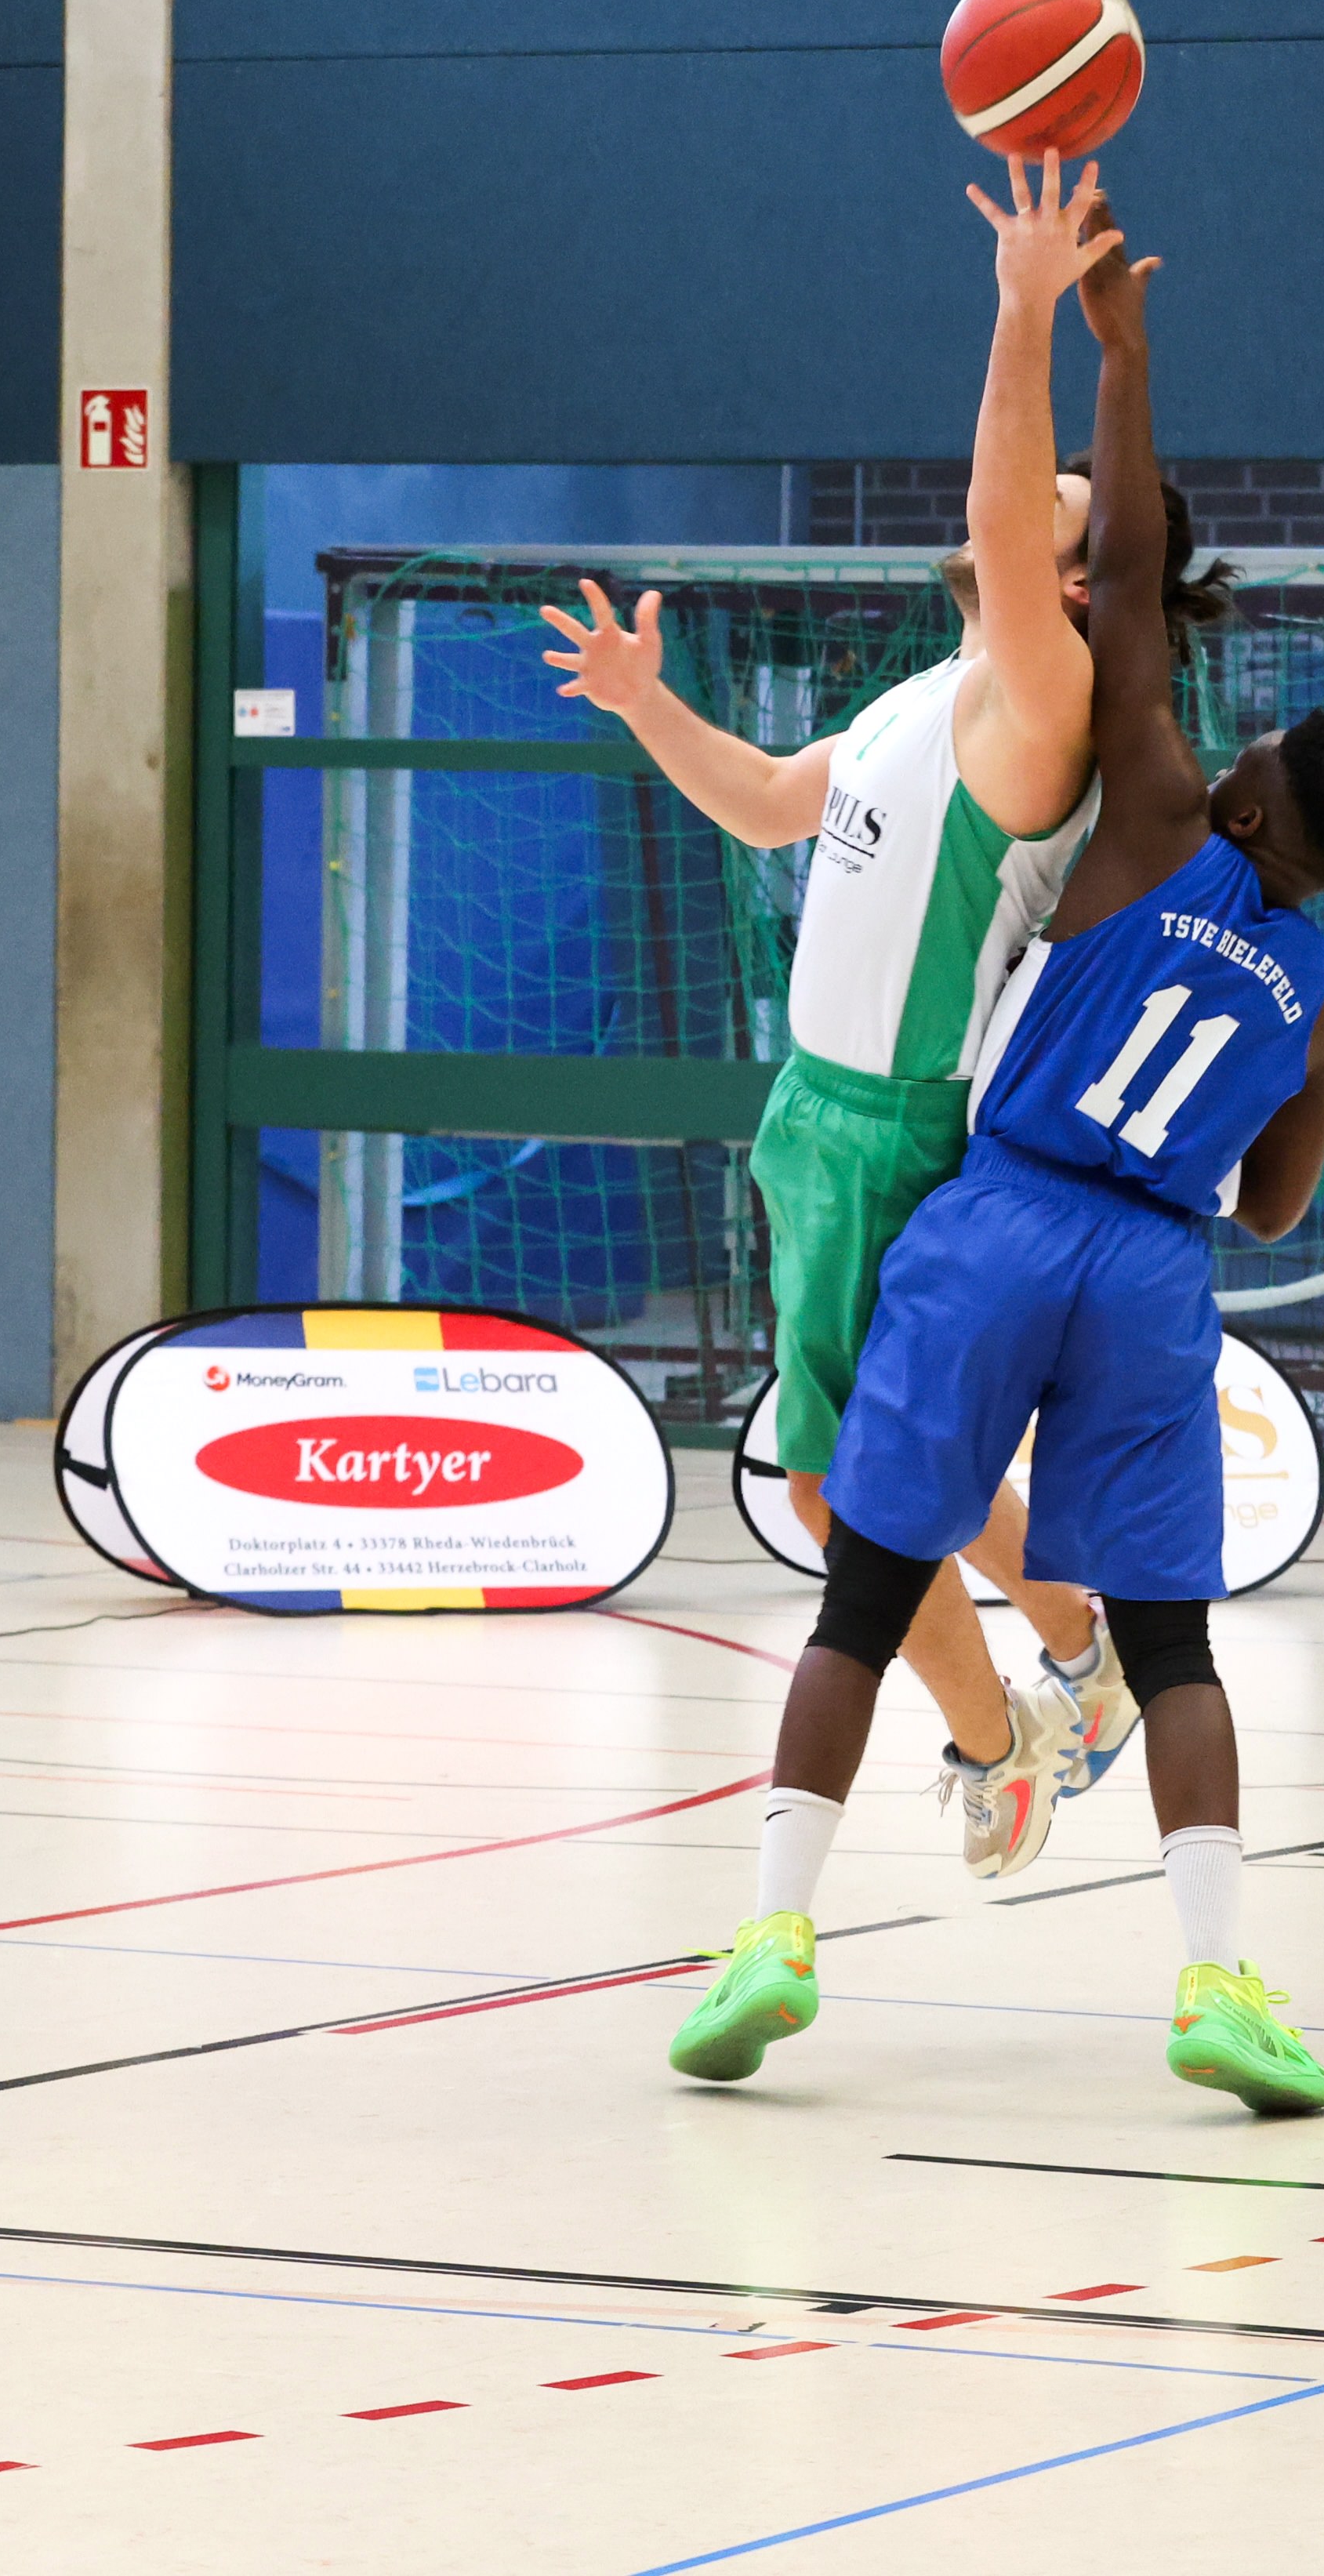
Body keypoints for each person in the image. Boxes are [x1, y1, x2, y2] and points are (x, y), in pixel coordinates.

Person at [666, 227, 1324, 2112]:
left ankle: (780, 1928)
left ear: (1248, 793)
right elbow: (1278, 1208)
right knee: (1178, 1642)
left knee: (858, 1575)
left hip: (991, 1204)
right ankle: (1217, 1973)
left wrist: (1098, 337)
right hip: (1154, 1265)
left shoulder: (1144, 799)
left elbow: (1116, 563)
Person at [541, 154, 1227, 1880]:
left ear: (1077, 583)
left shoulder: (1050, 697)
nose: (1018, 498)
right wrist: (644, 705)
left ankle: (1002, 1746)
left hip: (900, 1122)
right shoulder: (937, 687)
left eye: (1058, 502)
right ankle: (1075, 1652)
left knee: (839, 1488)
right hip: (817, 1110)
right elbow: (773, 804)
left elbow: (1005, 514)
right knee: (877, 1465)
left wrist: (1021, 313)